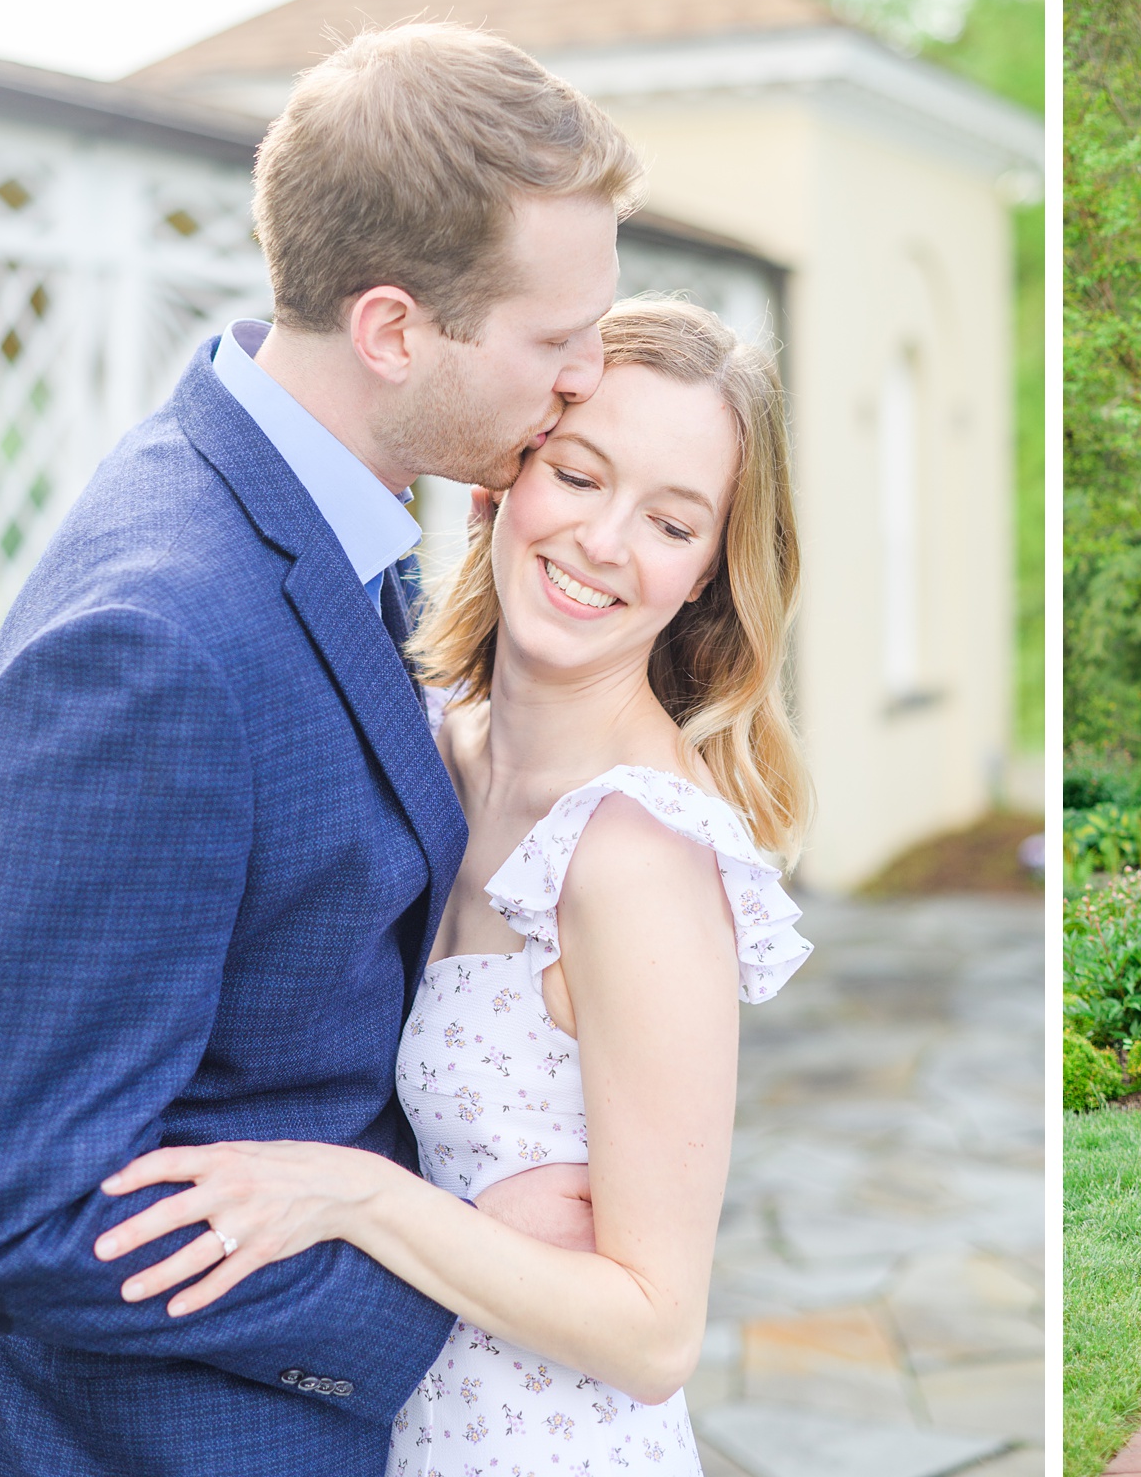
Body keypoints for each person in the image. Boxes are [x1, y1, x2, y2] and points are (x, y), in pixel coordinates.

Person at [0, 24, 644, 1477]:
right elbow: (13, 1205)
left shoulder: (339, 515)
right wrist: (433, 1309)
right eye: (555, 341)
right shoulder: (159, 641)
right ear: (392, 329)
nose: (586, 378)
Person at [92, 294, 812, 1473]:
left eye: (672, 523)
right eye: (579, 475)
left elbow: (653, 1330)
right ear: (503, 478)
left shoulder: (634, 855)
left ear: (708, 579)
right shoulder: (427, 740)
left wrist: (357, 1196)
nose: (602, 542)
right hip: (387, 1423)